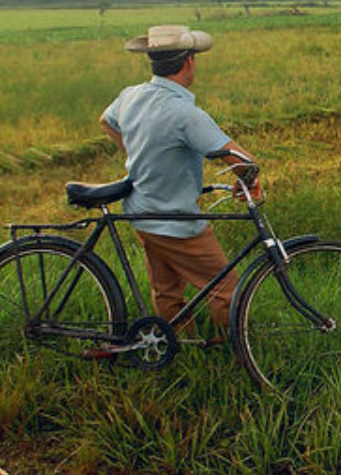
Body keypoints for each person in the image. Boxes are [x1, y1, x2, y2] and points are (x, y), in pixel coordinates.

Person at [100, 25, 262, 342]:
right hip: (174, 219)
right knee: (227, 290)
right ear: (188, 62)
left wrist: (136, 152)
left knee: (167, 291)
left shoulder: (131, 96)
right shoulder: (184, 113)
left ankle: (175, 348)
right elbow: (240, 159)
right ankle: (237, 357)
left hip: (142, 213)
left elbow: (106, 121)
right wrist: (250, 180)